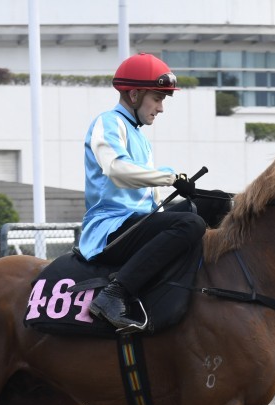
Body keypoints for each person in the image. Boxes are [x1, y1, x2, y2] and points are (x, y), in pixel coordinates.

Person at [81, 53, 207, 332]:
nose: (161, 108)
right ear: (135, 94)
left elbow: (151, 200)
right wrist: (170, 177)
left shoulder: (139, 135)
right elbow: (116, 170)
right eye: (157, 99)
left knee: (210, 206)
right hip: (110, 230)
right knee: (191, 223)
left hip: (138, 223)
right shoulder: (109, 122)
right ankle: (114, 295)